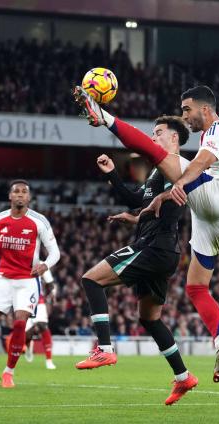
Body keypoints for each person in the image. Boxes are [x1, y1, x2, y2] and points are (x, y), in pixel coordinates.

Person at [74, 85, 219, 383]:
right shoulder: (208, 136)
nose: (185, 115)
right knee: (196, 287)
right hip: (215, 219)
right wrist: (159, 198)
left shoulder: (217, 129)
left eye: (187, 109)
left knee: (156, 155)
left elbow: (201, 163)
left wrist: (176, 188)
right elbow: (143, 197)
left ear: (205, 109)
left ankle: (103, 116)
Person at [75, 115, 197, 405]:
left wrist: (155, 205)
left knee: (91, 279)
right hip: (162, 249)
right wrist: (112, 173)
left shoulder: (177, 166)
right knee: (149, 318)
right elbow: (135, 199)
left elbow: (179, 193)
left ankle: (104, 347)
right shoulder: (158, 172)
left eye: (158, 133)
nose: (153, 138)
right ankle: (183, 377)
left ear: (174, 139)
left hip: (154, 246)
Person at [0, 180, 60, 388]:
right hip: (3, 279)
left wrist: (44, 265)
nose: (19, 195)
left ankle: (9, 372)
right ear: (10, 196)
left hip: (27, 281)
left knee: (19, 322)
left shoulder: (39, 221)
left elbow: (55, 253)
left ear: (29, 198)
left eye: (24, 192)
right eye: (16, 191)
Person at [23, 267, 57, 369]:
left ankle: (49, 360)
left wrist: (52, 296)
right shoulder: (19, 260)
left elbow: (50, 283)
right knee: (26, 333)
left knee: (43, 325)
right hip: (23, 300)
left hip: (39, 300)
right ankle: (28, 345)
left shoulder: (41, 264)